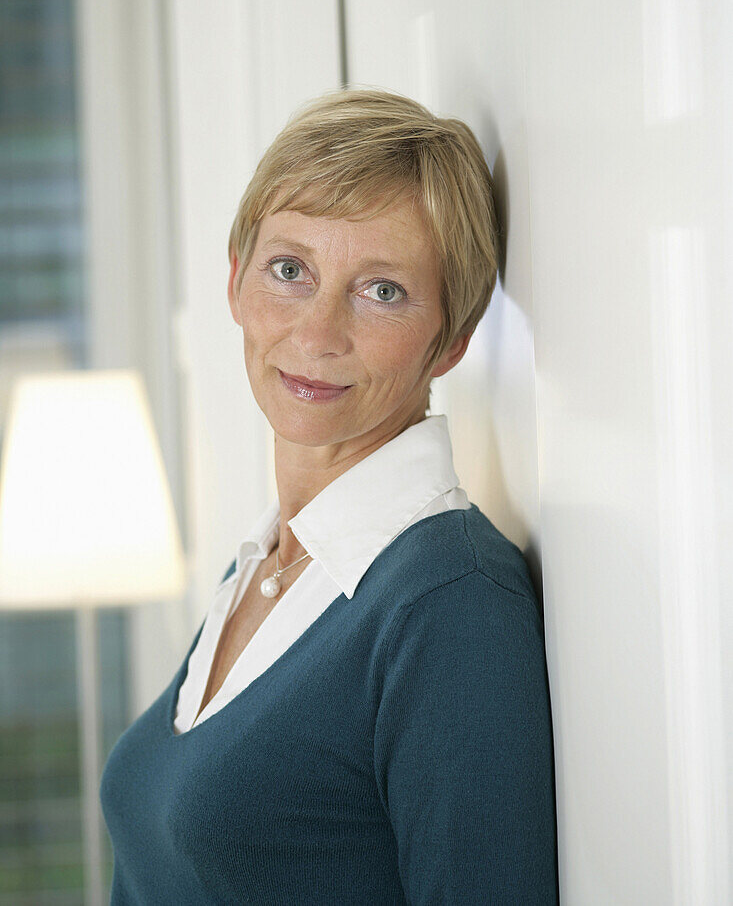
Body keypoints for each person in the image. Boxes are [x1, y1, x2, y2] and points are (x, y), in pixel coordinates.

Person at [100, 86, 559, 904]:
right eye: (290, 270)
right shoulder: (267, 564)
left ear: (451, 339)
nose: (315, 335)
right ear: (236, 282)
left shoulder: (447, 604)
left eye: (381, 290)